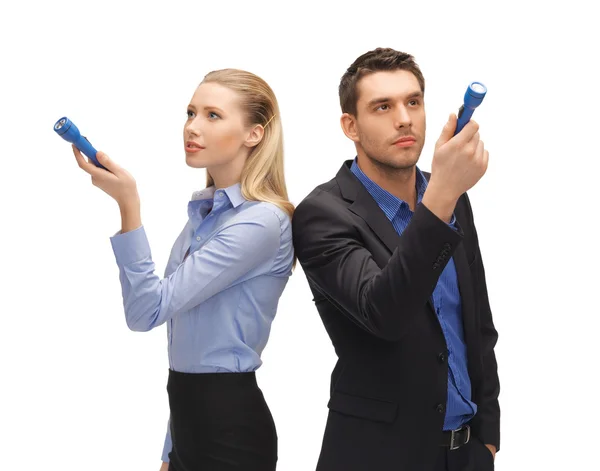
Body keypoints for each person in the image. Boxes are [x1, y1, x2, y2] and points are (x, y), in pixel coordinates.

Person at [73, 68, 294, 471]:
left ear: (254, 134)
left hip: (230, 434)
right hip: (189, 422)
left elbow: (148, 311)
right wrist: (170, 451)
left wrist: (128, 203)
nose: (192, 127)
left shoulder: (260, 222)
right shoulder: (204, 217)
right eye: (191, 112)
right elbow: (187, 353)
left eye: (213, 115)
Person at [291, 48, 500, 471]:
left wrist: (488, 440)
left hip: (466, 455)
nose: (404, 119)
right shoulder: (323, 213)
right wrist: (442, 195)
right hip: (377, 455)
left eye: (413, 102)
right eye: (382, 107)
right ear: (350, 125)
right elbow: (383, 312)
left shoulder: (450, 198)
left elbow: (477, 324)